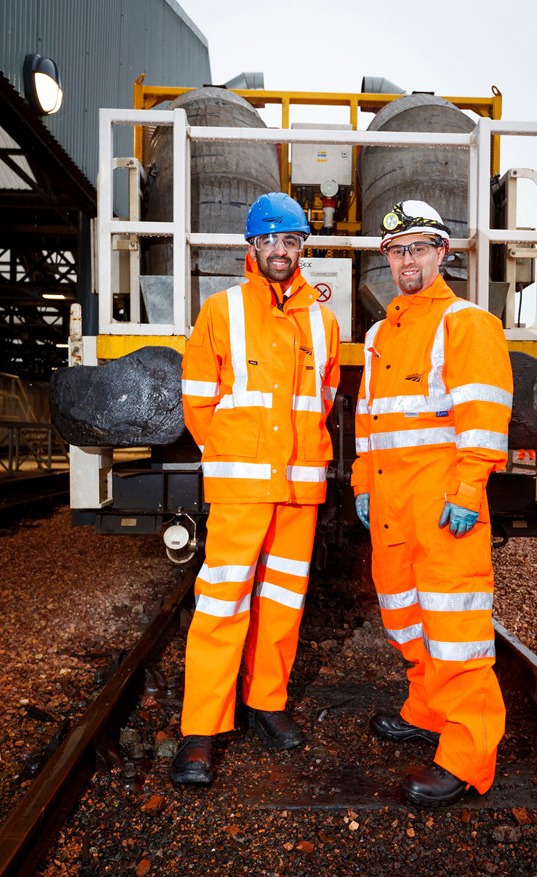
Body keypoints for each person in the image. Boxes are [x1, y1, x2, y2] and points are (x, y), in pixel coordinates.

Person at [171, 193, 340, 785]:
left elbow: (324, 400)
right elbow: (197, 400)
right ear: (250, 248)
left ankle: (266, 702)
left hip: (298, 490)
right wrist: (230, 453)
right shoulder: (220, 310)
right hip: (242, 485)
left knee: (283, 602)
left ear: (302, 248)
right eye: (267, 241)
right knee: (221, 602)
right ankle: (201, 728)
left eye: (289, 241)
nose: (278, 251)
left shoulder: (322, 319)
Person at [351, 200, 513, 806]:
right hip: (392, 503)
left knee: (456, 632)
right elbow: (368, 421)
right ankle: (426, 708)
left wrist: (470, 487)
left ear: (443, 253)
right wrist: (364, 485)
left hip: (443, 504)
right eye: (397, 250)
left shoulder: (467, 323)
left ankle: (468, 756)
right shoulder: (378, 335)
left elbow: (485, 417)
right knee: (405, 619)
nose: (406, 260)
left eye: (418, 247)